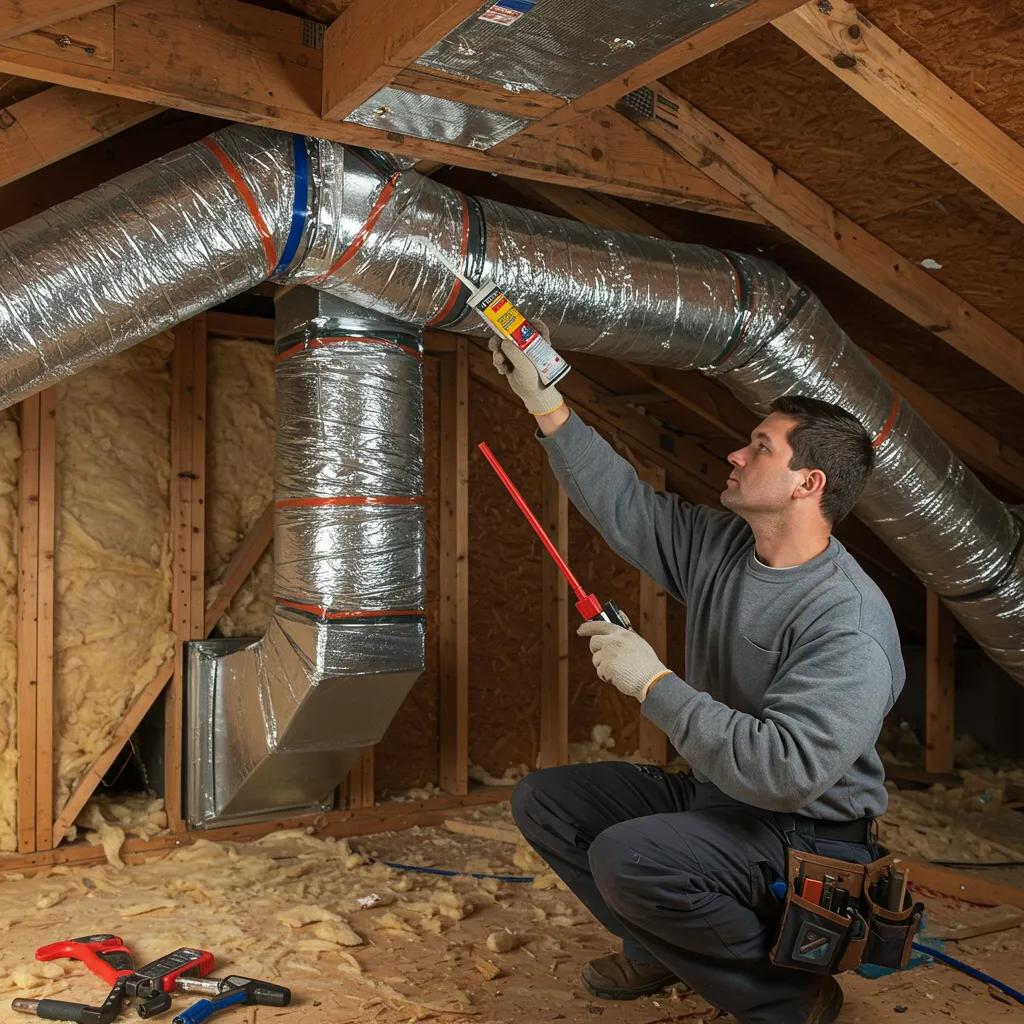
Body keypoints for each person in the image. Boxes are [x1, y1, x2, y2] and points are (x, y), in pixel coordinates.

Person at [490, 331, 905, 1024]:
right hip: (722, 798)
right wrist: (547, 406)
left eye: (761, 448)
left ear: (809, 484)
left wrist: (655, 686)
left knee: (631, 857)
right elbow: (628, 507)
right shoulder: (723, 549)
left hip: (807, 831)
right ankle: (659, 947)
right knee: (548, 801)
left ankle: (787, 999)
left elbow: (784, 772)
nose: (736, 454)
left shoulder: (848, 621)